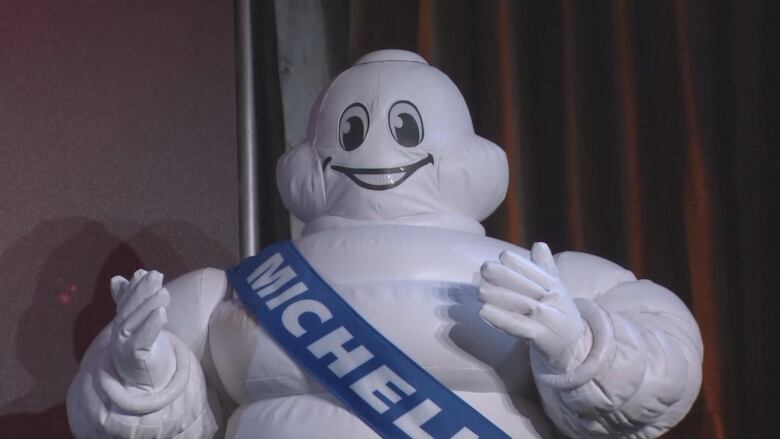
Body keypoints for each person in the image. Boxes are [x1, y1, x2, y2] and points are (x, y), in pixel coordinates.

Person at [67, 49, 702, 439]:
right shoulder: (236, 291)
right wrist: (144, 377)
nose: (377, 146)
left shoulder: (537, 278)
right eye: (352, 130)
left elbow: (669, 358)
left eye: (405, 128)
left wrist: (581, 347)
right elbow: (115, 413)